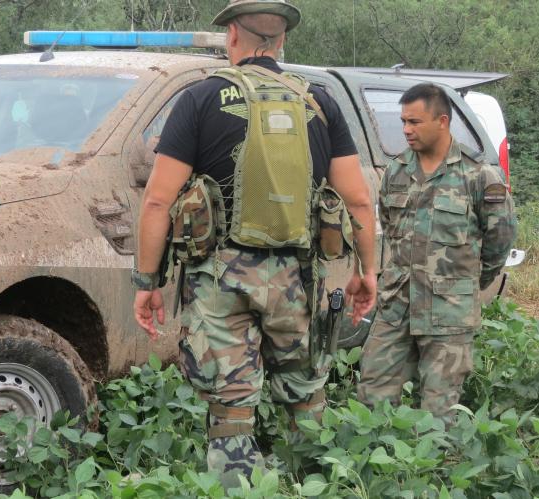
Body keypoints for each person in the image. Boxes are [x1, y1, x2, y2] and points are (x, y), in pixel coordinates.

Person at [132, 0, 377, 487]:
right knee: (306, 395)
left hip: (221, 278)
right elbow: (359, 201)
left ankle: (237, 487)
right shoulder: (320, 102)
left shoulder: (202, 98)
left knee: (231, 403)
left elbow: (157, 202)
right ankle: (317, 484)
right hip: (299, 280)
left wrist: (147, 282)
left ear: (232, 38)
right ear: (282, 40)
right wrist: (365, 273)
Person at [356, 83, 516, 421]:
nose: (406, 130)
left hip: (449, 311)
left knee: (439, 410)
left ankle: (435, 472)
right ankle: (377, 468)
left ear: (442, 121)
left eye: (414, 122)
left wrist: (463, 282)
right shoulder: (396, 172)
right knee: (372, 394)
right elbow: (390, 224)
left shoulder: (479, 175)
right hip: (397, 304)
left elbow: (499, 241)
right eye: (403, 121)